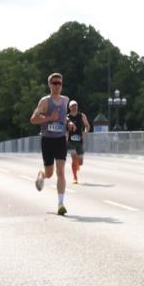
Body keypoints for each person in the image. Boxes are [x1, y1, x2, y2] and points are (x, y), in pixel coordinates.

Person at [29, 73, 71, 215]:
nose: (57, 85)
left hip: (60, 140)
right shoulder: (44, 102)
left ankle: (60, 204)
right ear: (49, 84)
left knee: (61, 171)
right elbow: (33, 119)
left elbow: (64, 116)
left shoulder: (66, 100)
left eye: (59, 83)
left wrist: (69, 123)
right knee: (49, 173)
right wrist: (48, 118)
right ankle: (41, 175)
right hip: (47, 140)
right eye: (54, 83)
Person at [66, 100, 90, 184]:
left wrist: (86, 132)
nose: (74, 107)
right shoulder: (67, 117)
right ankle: (75, 177)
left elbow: (87, 126)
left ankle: (77, 166)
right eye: (72, 105)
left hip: (79, 141)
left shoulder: (81, 116)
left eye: (75, 105)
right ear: (69, 107)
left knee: (80, 162)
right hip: (70, 141)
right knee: (74, 158)